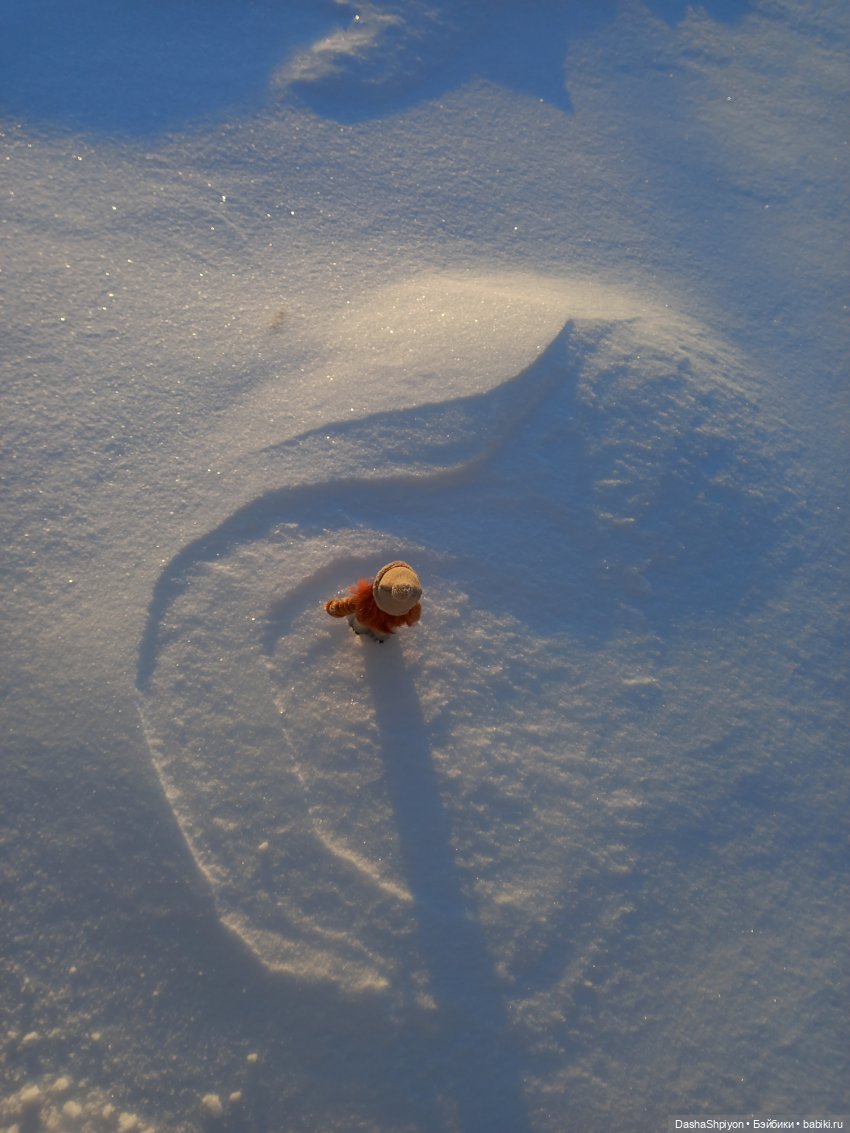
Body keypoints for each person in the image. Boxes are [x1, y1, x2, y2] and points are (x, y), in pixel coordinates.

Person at [325, 560, 422, 643]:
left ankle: (357, 631)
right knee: (382, 632)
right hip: (387, 626)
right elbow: (414, 618)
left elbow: (346, 606)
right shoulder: (410, 608)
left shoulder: (365, 600)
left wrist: (333, 608)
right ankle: (380, 639)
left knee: (359, 626)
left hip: (364, 619)